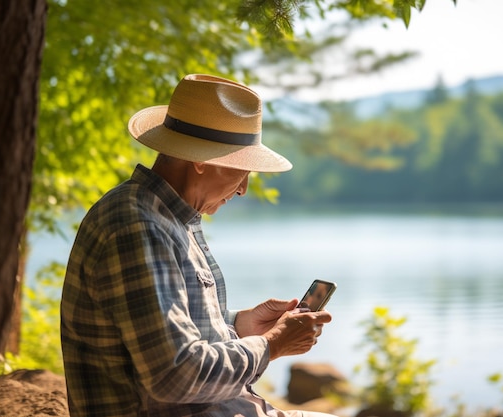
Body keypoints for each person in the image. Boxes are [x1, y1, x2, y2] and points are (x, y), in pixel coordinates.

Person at [60, 74, 335, 417]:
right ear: (204, 159)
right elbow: (175, 375)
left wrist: (239, 326)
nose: (243, 189)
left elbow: (166, 334)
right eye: (242, 170)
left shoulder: (166, 218)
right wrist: (271, 345)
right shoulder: (136, 225)